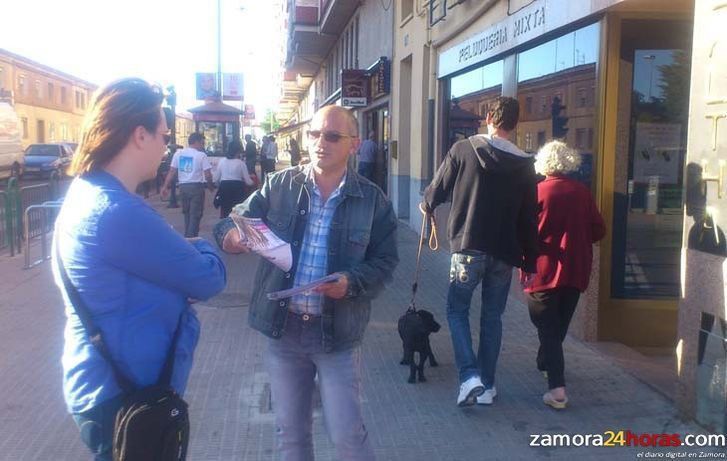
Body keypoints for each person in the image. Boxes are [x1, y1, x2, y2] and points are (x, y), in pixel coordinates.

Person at [52, 78, 227, 461]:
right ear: (139, 136)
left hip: (109, 388)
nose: (167, 148)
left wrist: (180, 260)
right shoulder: (116, 212)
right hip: (123, 395)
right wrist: (203, 247)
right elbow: (208, 279)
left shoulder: (90, 194)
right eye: (164, 136)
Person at [214, 105, 398, 460]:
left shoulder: (372, 200)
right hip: (285, 330)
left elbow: (386, 262)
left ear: (354, 144)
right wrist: (232, 238)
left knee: (347, 435)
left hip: (338, 335)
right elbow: (231, 221)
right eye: (314, 134)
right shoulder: (281, 185)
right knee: (291, 435)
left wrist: (351, 282)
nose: (320, 142)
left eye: (332, 136)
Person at [421, 96, 538, 407]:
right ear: (515, 125)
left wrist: (428, 205)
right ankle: (486, 386)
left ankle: (469, 375)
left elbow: (436, 189)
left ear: (488, 117)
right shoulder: (526, 164)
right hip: (505, 252)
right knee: (492, 318)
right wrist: (531, 259)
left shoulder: (463, 149)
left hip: (468, 247)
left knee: (456, 311)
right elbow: (529, 217)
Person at [525, 140, 605, 409]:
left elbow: (523, 232)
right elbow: (599, 230)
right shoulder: (582, 192)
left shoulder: (536, 192)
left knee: (547, 327)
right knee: (556, 327)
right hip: (575, 269)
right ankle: (545, 361)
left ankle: (557, 390)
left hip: (543, 271)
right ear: (568, 162)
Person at [162, 132, 215, 237]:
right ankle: (191, 239)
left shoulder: (178, 154)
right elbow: (208, 175)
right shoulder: (201, 155)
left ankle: (188, 236)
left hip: (183, 187)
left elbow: (172, 171)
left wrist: (165, 186)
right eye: (202, 143)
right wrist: (210, 186)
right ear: (197, 142)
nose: (203, 145)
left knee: (186, 213)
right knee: (195, 215)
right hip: (196, 188)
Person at [213, 139, 254, 218]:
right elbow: (248, 182)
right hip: (238, 190)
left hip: (224, 189)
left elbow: (216, 179)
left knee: (225, 212)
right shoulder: (241, 163)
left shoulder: (222, 161)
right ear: (238, 151)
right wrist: (254, 181)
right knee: (237, 214)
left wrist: (220, 186)